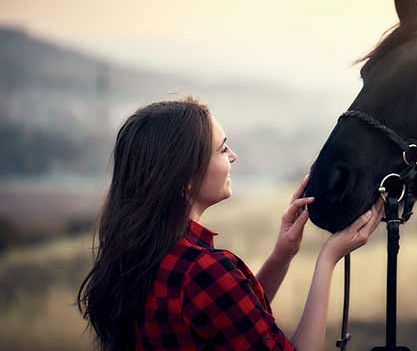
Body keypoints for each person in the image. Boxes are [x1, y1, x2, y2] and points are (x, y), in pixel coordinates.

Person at [77, 96, 384, 350]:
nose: (233, 156)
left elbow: (227, 319)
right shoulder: (204, 271)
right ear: (185, 179)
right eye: (222, 149)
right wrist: (328, 259)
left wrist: (282, 254)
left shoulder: (140, 257)